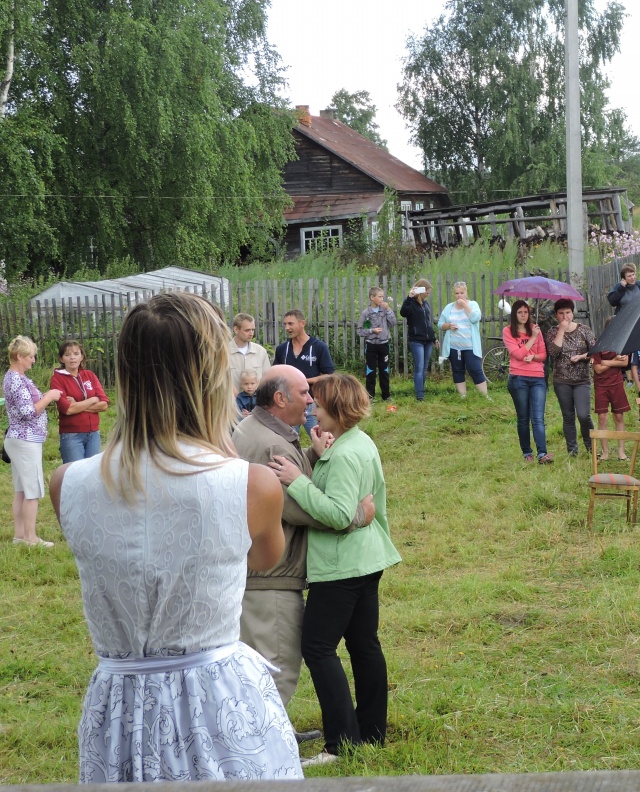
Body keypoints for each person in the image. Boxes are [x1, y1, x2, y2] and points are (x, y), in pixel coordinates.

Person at [50, 292, 301, 780]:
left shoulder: (67, 484)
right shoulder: (251, 483)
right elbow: (266, 558)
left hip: (119, 712)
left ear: (126, 372)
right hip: (220, 706)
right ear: (211, 375)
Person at [233, 365, 373, 737]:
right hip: (273, 576)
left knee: (255, 665)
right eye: (303, 393)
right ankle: (259, 747)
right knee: (277, 667)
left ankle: (267, 732)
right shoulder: (274, 445)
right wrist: (357, 514)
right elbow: (303, 508)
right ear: (280, 399)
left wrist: (309, 456)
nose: (311, 400)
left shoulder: (251, 427)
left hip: (251, 570)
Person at [269, 373, 400, 766]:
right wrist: (319, 454)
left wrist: (297, 481)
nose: (312, 409)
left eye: (320, 406)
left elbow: (341, 514)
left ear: (338, 411)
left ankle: (341, 744)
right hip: (366, 559)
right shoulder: (357, 443)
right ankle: (371, 732)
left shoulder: (344, 455)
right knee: (364, 646)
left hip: (342, 566)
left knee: (318, 647)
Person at [4, 336, 63, 547]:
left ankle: (19, 536)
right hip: (25, 440)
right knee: (32, 490)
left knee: (21, 489)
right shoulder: (17, 380)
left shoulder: (15, 377)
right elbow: (28, 413)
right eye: (30, 356)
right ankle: (31, 538)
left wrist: (45, 395)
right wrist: (49, 397)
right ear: (19, 357)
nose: (33, 360)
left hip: (20, 439)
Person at [502, 300, 551, 463]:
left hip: (537, 377)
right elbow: (517, 354)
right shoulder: (508, 331)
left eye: (526, 312)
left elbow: (543, 354)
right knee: (523, 417)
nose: (523, 315)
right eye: (520, 312)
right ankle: (526, 452)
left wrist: (534, 356)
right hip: (518, 378)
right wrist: (532, 339)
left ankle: (542, 453)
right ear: (514, 314)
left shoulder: (536, 330)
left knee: (538, 417)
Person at [546, 299, 595, 458]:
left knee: (583, 415)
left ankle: (591, 447)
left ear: (572, 313)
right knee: (568, 416)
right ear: (556, 315)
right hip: (562, 381)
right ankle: (572, 451)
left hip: (582, 380)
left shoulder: (584, 330)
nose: (565, 316)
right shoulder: (552, 332)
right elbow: (553, 353)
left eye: (567, 312)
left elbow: (595, 352)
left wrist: (581, 357)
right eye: (561, 313)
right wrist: (561, 331)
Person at [274, 310, 335, 432]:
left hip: (311, 402)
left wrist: (304, 381)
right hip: (288, 404)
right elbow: (276, 374)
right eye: (285, 324)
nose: (287, 328)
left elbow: (329, 375)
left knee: (322, 437)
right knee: (287, 440)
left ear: (302, 323)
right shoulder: (282, 349)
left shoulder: (318, 347)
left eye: (291, 324)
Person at [49, 339, 109, 464]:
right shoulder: (57, 379)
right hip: (72, 435)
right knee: (74, 474)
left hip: (93, 434)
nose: (72, 358)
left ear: (82, 357)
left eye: (76, 354)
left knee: (92, 474)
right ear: (61, 359)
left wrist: (77, 403)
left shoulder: (89, 375)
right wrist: (92, 400)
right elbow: (68, 409)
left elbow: (104, 405)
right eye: (67, 355)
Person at [438, 281, 489, 399]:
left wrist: (465, 306)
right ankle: (463, 396)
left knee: (475, 369)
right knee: (457, 370)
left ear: (466, 293)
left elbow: (476, 318)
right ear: (453, 294)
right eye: (456, 293)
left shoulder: (473, 305)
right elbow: (440, 324)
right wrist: (448, 325)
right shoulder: (449, 307)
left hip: (470, 346)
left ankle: (485, 396)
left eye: (462, 293)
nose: (459, 295)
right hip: (454, 346)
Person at [357, 286, 397, 409]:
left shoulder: (385, 311)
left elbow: (393, 323)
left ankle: (386, 395)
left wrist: (389, 309)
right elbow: (359, 331)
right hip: (371, 345)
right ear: (372, 298)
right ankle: (370, 396)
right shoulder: (366, 313)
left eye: (382, 296)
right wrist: (371, 330)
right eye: (379, 296)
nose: (382, 299)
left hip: (384, 344)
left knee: (384, 371)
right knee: (371, 371)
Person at [401, 278, 437, 402]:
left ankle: (421, 391)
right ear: (420, 290)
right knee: (419, 367)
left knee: (424, 367)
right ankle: (419, 396)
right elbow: (403, 313)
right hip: (416, 340)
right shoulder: (410, 303)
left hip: (427, 341)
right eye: (427, 291)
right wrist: (409, 297)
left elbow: (427, 322)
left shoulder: (425, 304)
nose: (428, 293)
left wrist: (433, 338)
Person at [592, 348, 632, 460]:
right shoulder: (598, 344)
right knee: (602, 417)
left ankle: (621, 452)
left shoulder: (622, 343)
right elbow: (598, 369)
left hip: (617, 383)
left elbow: (625, 362)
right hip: (601, 385)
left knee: (619, 416)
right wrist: (615, 360)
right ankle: (605, 453)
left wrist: (605, 362)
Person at [228, 312, 272, 391]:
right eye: (247, 330)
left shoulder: (261, 352)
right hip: (231, 402)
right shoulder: (224, 352)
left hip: (256, 402)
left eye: (253, 330)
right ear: (236, 329)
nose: (251, 333)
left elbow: (267, 380)